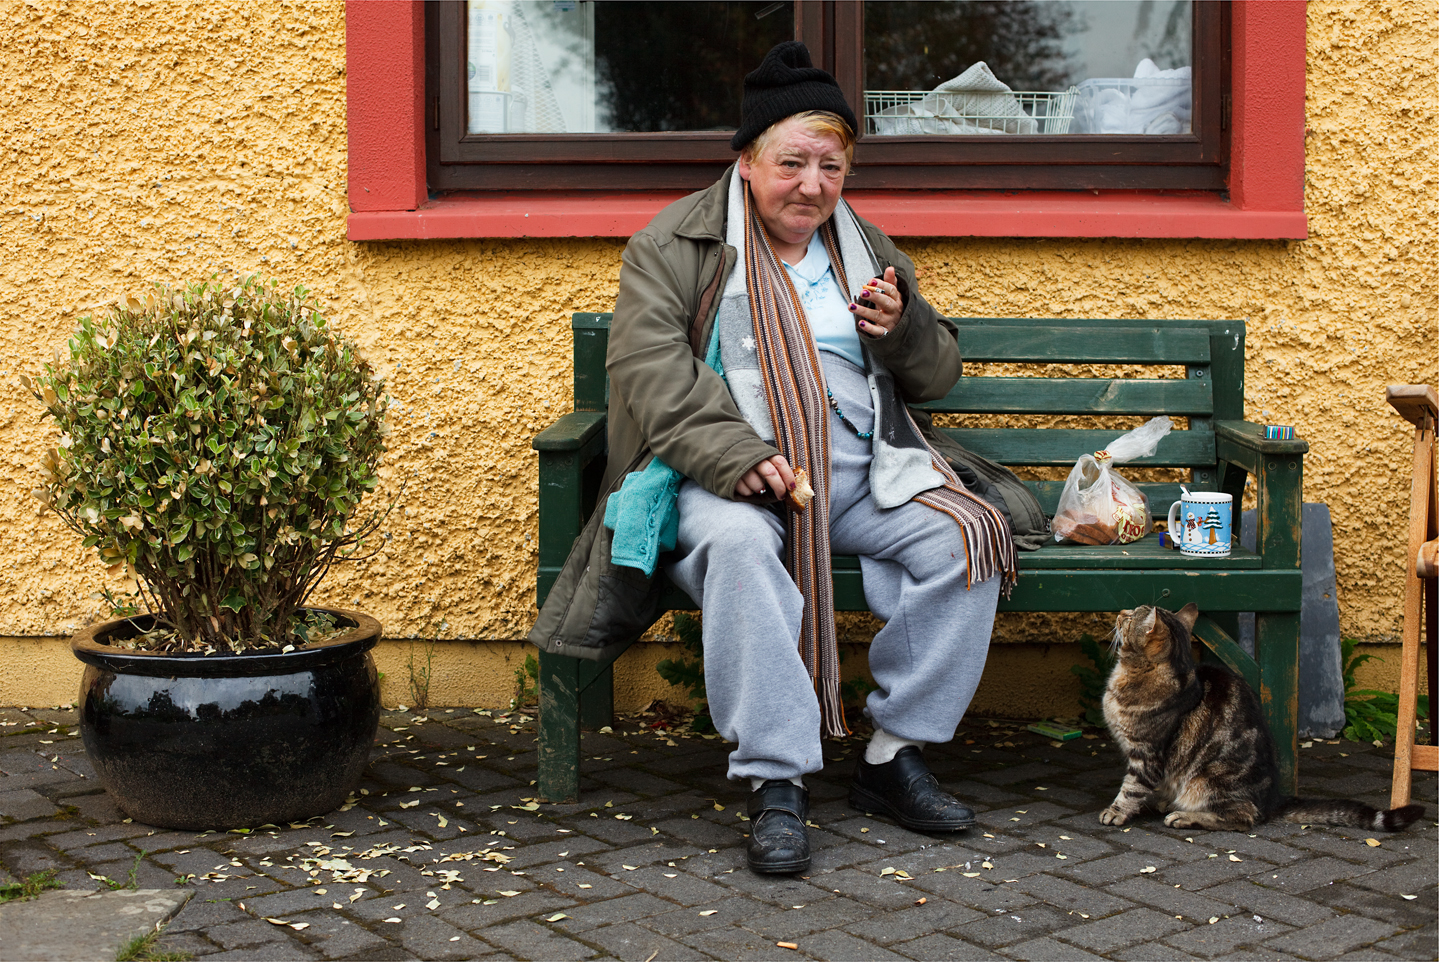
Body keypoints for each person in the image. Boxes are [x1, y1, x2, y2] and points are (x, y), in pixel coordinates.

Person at [583, 41, 1015, 875]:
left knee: (967, 538)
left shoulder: (863, 246)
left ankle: (893, 756)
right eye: (791, 163)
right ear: (746, 162)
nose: (812, 186)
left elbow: (937, 374)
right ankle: (776, 780)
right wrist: (736, 455)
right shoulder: (676, 244)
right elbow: (647, 370)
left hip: (856, 469)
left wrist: (906, 329)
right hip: (723, 476)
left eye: (831, 166)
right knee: (743, 549)